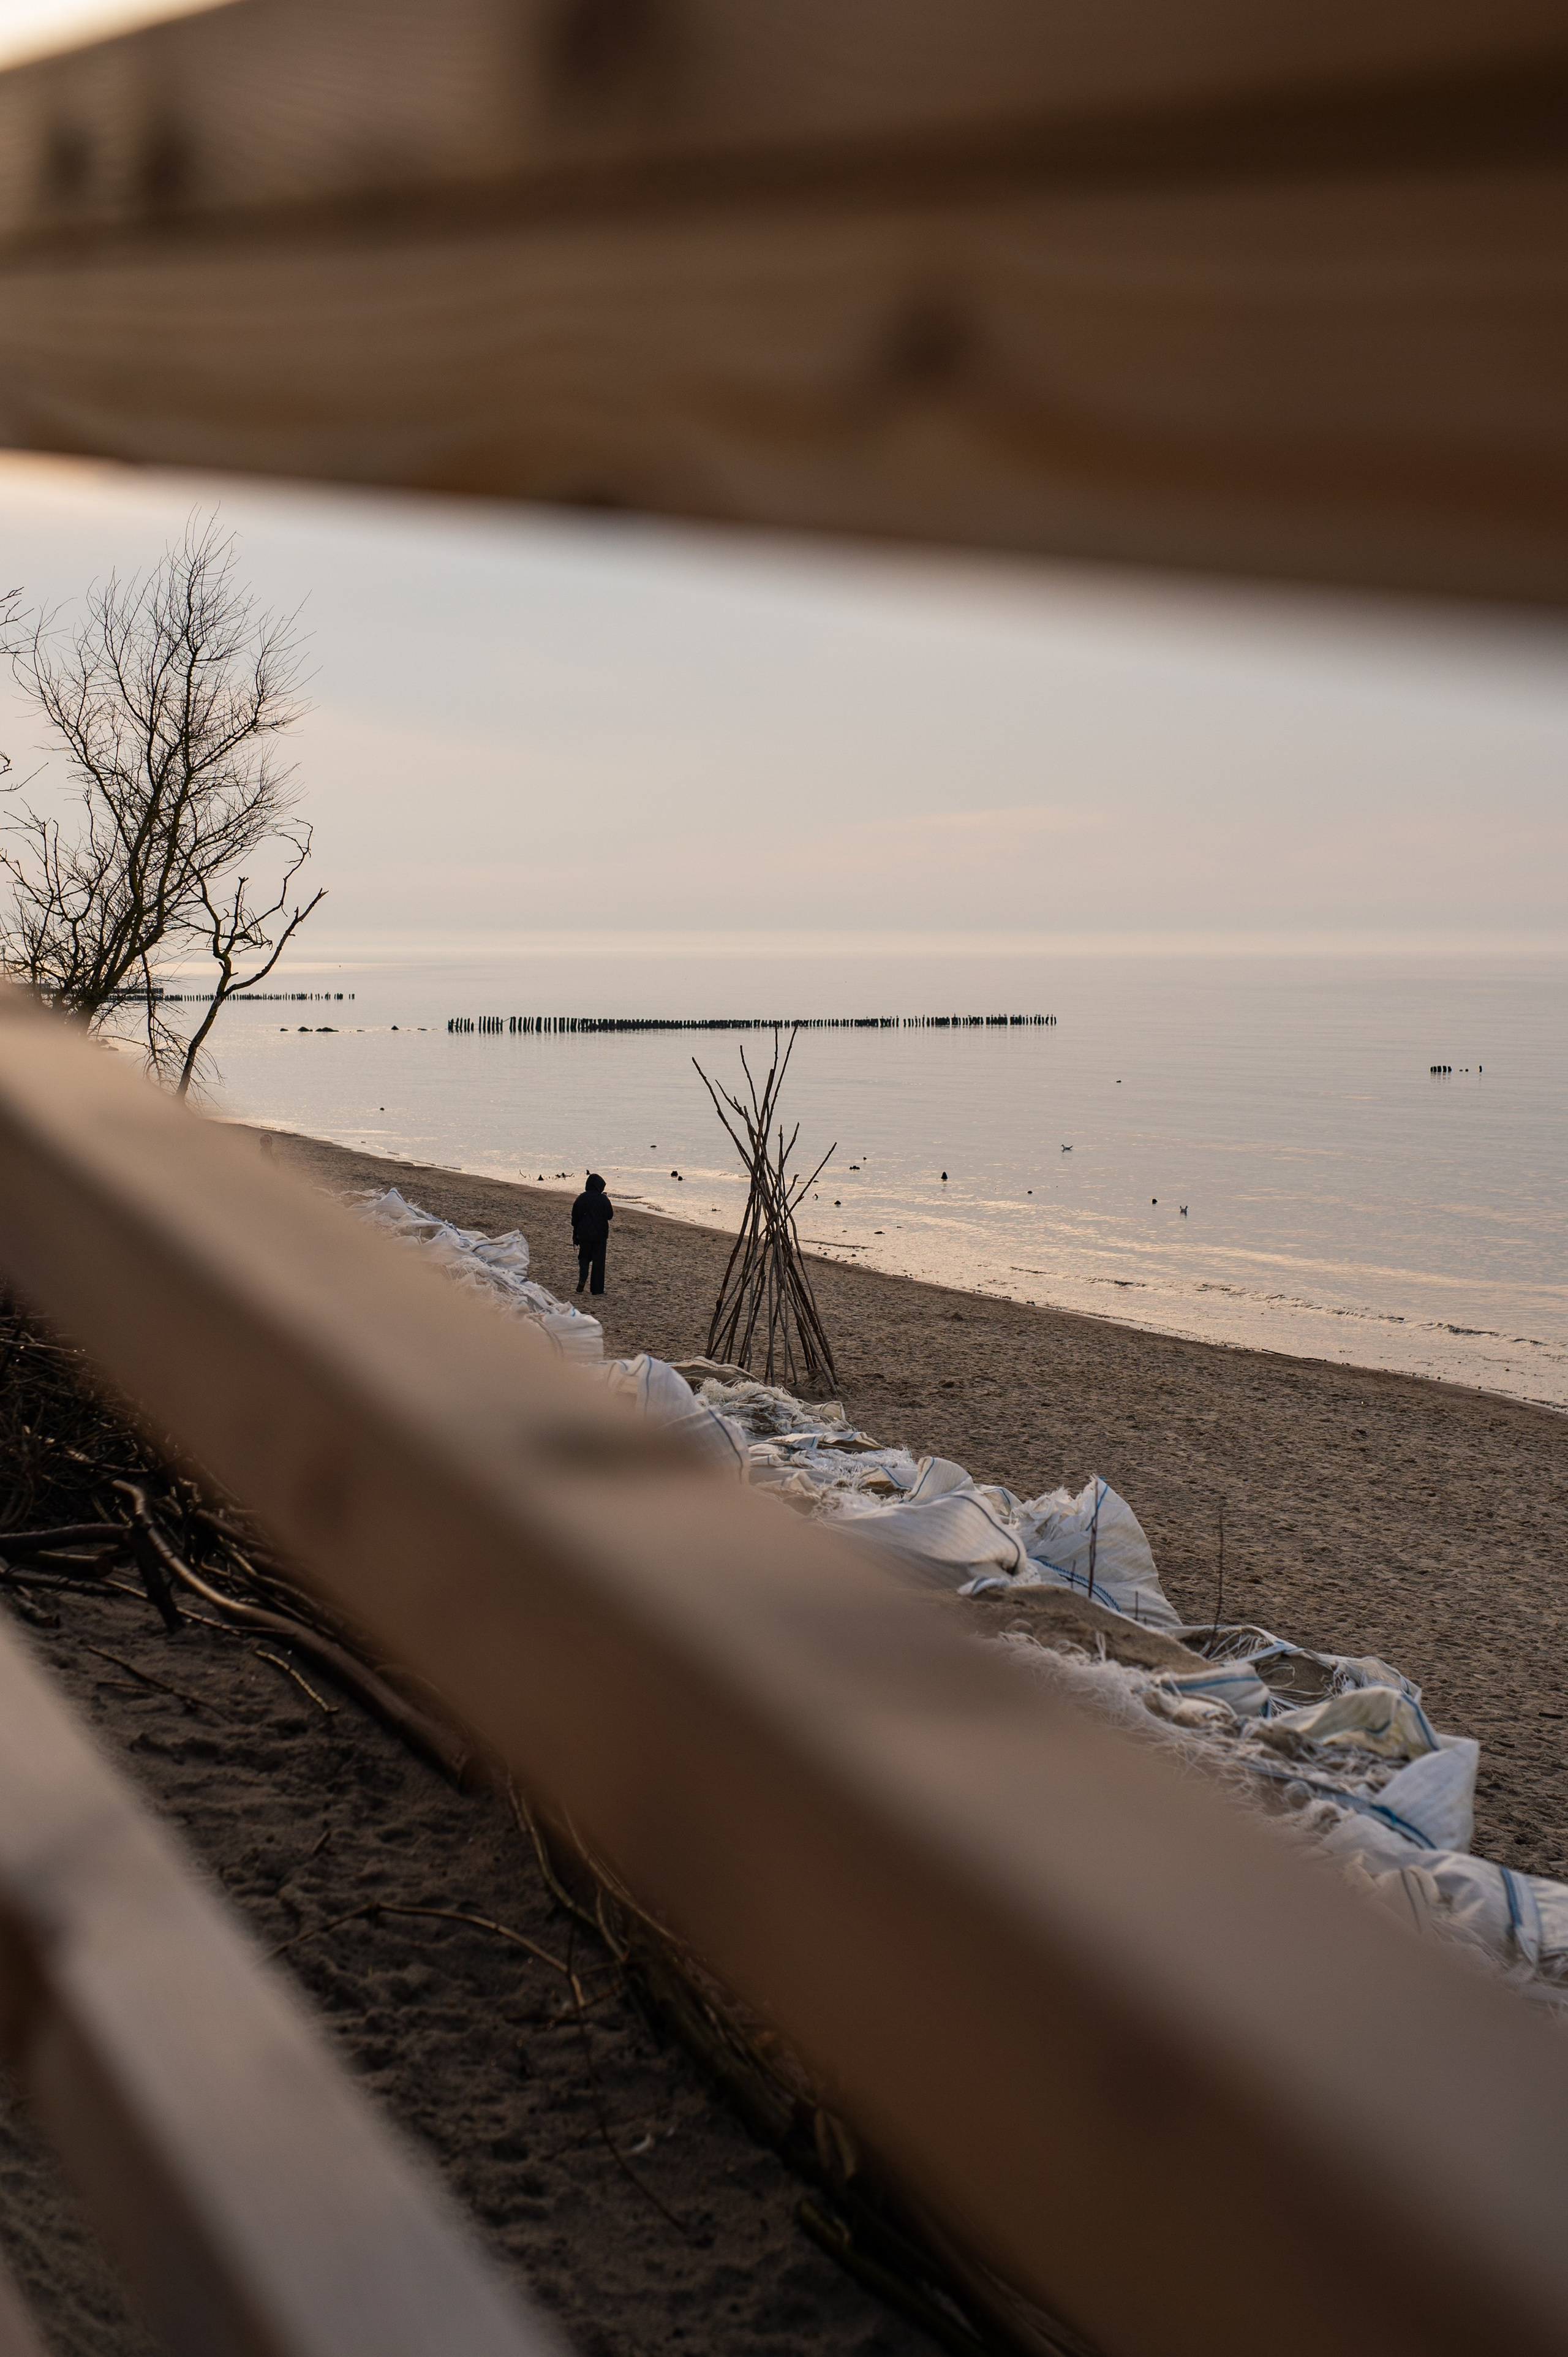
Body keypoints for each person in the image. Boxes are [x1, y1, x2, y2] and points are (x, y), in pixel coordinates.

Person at [571, 1172, 613, 1296]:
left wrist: (576, 1232)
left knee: (584, 1257)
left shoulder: (582, 1198)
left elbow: (575, 1217)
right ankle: (597, 1289)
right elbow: (610, 1216)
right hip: (600, 1235)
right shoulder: (604, 1199)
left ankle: (582, 1280)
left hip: (584, 1234)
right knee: (598, 1262)